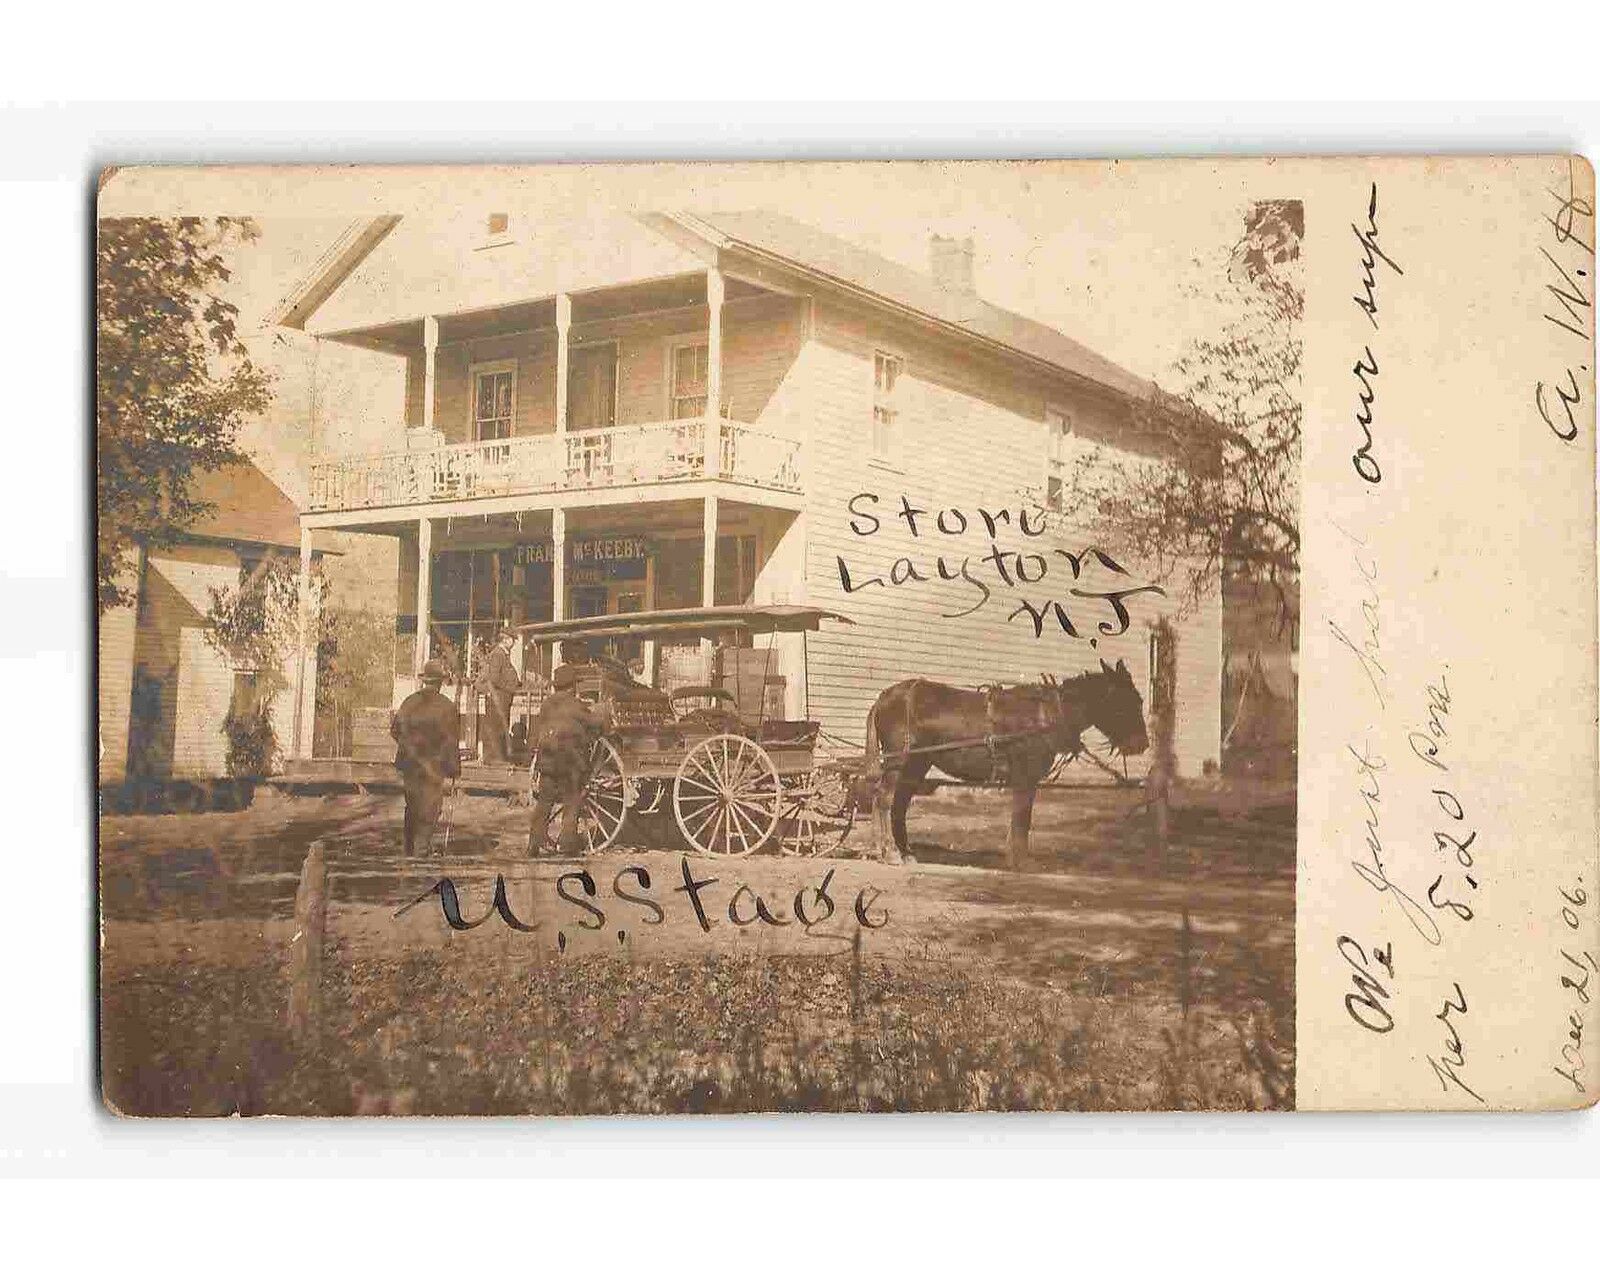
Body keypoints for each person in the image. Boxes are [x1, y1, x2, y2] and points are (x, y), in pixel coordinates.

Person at [527, 665, 610, 857]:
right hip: (569, 764)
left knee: (544, 802)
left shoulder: (547, 704)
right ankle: (567, 843)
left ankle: (533, 843)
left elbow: (536, 730)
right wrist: (605, 718)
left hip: (547, 762)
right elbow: (594, 723)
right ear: (572, 687)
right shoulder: (575, 705)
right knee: (572, 801)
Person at [390, 660, 461, 860]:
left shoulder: (410, 702)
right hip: (434, 765)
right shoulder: (447, 707)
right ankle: (420, 849)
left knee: (412, 804)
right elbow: (451, 741)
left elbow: (395, 730)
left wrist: (407, 746)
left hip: (411, 762)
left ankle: (409, 848)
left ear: (424, 681)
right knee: (430, 805)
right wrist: (453, 768)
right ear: (440, 683)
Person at [477, 629, 521, 765]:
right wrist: (509, 687)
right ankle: (493, 759)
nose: (514, 643)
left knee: (501, 728)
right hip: (498, 699)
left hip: (502, 699)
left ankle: (498, 758)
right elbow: (494, 679)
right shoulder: (498, 654)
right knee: (496, 728)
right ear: (506, 640)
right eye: (513, 640)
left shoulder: (503, 654)